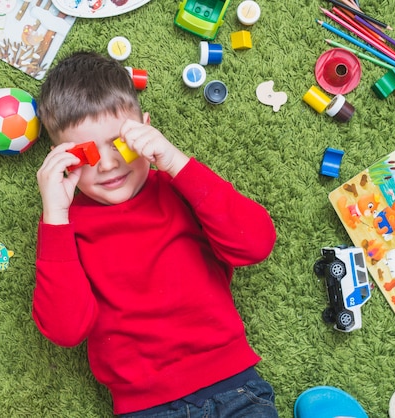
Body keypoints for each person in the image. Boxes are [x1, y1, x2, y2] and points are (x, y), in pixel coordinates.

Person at [32, 50, 279, 417]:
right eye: (85, 154)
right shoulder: (66, 226)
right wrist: (54, 214)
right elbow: (66, 329)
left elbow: (255, 244)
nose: (108, 164)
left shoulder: (181, 186)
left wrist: (176, 160)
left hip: (234, 386)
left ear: (147, 129)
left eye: (120, 143)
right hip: (146, 407)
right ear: (62, 159)